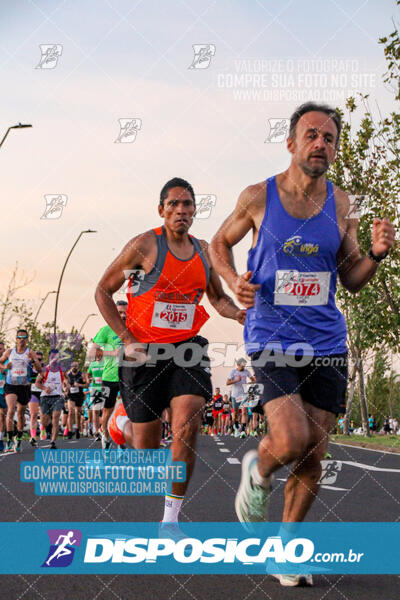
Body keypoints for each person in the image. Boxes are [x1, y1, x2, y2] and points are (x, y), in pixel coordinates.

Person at [210, 102, 395, 587]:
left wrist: (376, 254)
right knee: (290, 439)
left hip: (326, 339)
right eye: (311, 135)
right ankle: (259, 468)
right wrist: (233, 279)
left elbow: (352, 278)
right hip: (271, 332)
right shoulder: (257, 196)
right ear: (291, 143)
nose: (321, 144)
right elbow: (218, 243)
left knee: (313, 453)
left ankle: (285, 551)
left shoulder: (342, 205)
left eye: (329, 138)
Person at [98, 177, 245, 529]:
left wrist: (239, 312)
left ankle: (170, 521)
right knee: (147, 453)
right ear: (161, 210)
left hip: (187, 348)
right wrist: (125, 336)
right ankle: (123, 423)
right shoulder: (144, 246)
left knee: (188, 421)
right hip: (144, 351)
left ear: (195, 210)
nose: (181, 210)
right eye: (174, 204)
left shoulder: (204, 251)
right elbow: (104, 290)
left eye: (188, 205)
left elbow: (218, 298)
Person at [89, 301, 128, 449]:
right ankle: (105, 432)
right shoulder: (106, 330)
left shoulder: (133, 329)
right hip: (109, 376)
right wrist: (111, 353)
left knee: (127, 409)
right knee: (107, 410)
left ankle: (120, 440)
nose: (123, 316)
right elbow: (93, 353)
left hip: (128, 376)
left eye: (125, 312)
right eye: (120, 312)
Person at [0, 329, 42, 453]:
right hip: (11, 385)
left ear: (27, 339)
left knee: (20, 414)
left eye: (24, 337)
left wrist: (33, 360)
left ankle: (18, 438)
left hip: (24, 386)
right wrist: (4, 367)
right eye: (19, 337)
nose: (22, 339)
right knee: (11, 410)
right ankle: (8, 440)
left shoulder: (30, 352)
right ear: (16, 339)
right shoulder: (9, 352)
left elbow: (39, 369)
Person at [35, 349, 65, 449]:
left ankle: (53, 441)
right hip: (45, 398)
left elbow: (67, 382)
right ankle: (45, 428)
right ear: (49, 358)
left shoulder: (62, 370)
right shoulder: (44, 370)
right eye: (52, 357)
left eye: (56, 357)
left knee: (56, 418)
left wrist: (67, 386)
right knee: (44, 420)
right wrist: (44, 388)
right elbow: (37, 383)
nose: (54, 360)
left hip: (58, 397)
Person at [226, 358, 255, 437]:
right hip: (235, 395)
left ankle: (243, 430)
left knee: (244, 412)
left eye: (244, 365)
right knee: (235, 414)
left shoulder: (246, 372)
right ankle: (236, 427)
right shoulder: (233, 372)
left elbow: (254, 380)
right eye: (242, 365)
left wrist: (249, 382)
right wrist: (236, 380)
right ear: (238, 365)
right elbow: (227, 383)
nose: (244, 367)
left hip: (244, 394)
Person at [65, 362, 87, 439]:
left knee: (77, 413)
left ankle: (77, 430)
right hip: (71, 395)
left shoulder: (82, 375)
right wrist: (65, 388)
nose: (74, 368)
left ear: (78, 367)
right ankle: (70, 431)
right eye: (73, 366)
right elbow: (65, 383)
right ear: (71, 367)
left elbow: (86, 385)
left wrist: (79, 385)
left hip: (79, 395)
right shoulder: (68, 375)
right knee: (71, 412)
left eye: (76, 366)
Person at [87, 348, 105, 439]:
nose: (97, 355)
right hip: (95, 389)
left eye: (99, 353)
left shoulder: (106, 363)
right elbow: (88, 374)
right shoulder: (92, 364)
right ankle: (96, 431)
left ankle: (103, 429)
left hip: (105, 389)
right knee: (95, 410)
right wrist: (88, 380)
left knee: (104, 410)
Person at [29, 350, 45, 446]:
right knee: (33, 414)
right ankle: (33, 436)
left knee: (43, 415)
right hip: (32, 393)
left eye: (40, 359)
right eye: (36, 359)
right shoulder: (29, 368)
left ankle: (42, 429)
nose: (38, 360)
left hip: (42, 393)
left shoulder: (44, 369)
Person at [0, 341, 7, 452]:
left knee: (2, 417)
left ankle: (0, 439)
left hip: (5, 392)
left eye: (1, 349)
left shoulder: (8, 361)